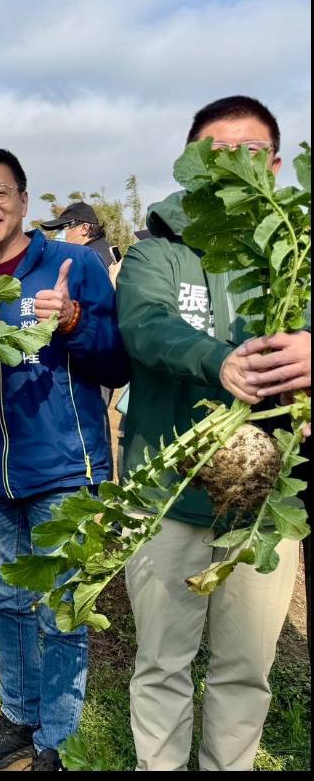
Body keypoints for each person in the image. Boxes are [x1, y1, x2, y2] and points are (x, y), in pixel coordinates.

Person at [117, 95, 310, 771]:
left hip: (264, 504)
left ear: (277, 165)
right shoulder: (157, 252)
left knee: (243, 669)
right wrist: (217, 360)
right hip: (165, 495)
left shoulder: (294, 258)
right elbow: (145, 325)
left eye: (251, 154)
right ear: (192, 162)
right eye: (215, 153)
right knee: (162, 663)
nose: (232, 166)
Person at [0, 148, 129, 771]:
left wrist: (75, 319)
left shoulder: (73, 264)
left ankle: (59, 736)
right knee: (4, 598)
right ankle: (19, 715)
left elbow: (117, 363)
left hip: (66, 471)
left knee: (62, 606)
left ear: (24, 201)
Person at [40, 201, 113, 267]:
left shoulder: (90, 257)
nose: (58, 233)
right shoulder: (102, 248)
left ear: (84, 228)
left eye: (62, 228)